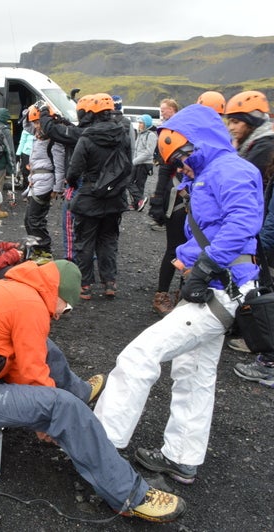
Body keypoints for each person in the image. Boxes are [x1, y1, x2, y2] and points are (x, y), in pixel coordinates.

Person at [0, 259, 186, 523]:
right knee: (64, 408)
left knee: (47, 348)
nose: (61, 315)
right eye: (68, 307)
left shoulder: (16, 289)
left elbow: (24, 358)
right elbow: (32, 372)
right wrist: (46, 417)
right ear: (59, 294)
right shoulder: (30, 306)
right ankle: (130, 496)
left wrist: (41, 408)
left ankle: (81, 392)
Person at [95, 104, 263, 485]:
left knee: (138, 356)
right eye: (175, 164)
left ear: (197, 144)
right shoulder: (212, 173)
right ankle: (182, 458)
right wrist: (195, 263)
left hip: (220, 288)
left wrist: (204, 266)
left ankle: (101, 447)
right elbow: (223, 227)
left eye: (182, 159)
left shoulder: (230, 171)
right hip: (218, 288)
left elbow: (241, 224)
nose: (180, 168)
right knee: (195, 372)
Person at [223, 90, 274, 362]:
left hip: (263, 225)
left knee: (263, 281)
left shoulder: (263, 147)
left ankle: (263, 341)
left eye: (237, 121)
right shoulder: (253, 144)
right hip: (260, 223)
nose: (232, 127)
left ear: (251, 121)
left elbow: (239, 181)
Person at [66, 93, 132, 299]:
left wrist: (75, 183)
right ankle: (109, 283)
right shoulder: (123, 135)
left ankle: (85, 286)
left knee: (84, 241)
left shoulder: (87, 137)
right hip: (115, 198)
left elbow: (74, 169)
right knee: (108, 240)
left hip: (90, 196)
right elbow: (128, 165)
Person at [39, 95, 91, 261]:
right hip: (100, 186)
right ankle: (92, 260)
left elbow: (53, 131)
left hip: (80, 182)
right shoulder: (110, 130)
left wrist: (44, 112)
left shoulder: (83, 133)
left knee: (69, 220)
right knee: (93, 225)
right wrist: (62, 121)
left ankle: (71, 258)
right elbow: (71, 131)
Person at [148, 98, 185, 315]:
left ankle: (183, 292)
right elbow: (164, 169)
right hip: (178, 197)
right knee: (175, 248)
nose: (162, 113)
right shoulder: (176, 135)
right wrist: (158, 201)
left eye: (165, 110)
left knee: (188, 248)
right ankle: (162, 294)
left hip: (186, 198)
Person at [25, 104, 66, 262]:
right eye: (34, 122)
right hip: (36, 182)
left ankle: (44, 250)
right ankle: (35, 248)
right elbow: (25, 123)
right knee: (29, 219)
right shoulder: (39, 136)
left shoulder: (54, 141)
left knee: (35, 219)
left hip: (46, 183)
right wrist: (31, 108)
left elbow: (60, 165)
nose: (36, 125)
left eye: (38, 121)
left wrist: (57, 188)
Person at [126, 114, 156, 211]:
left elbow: (149, 152)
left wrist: (134, 161)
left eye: (141, 123)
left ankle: (139, 202)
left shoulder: (151, 135)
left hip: (144, 163)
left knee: (139, 184)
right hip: (137, 162)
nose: (139, 125)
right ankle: (137, 202)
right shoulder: (140, 133)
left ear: (146, 124)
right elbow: (136, 149)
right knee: (129, 181)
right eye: (139, 123)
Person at [16, 108, 34, 189]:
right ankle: (26, 189)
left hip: (31, 153)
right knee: (25, 172)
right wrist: (18, 154)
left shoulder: (38, 128)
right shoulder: (25, 130)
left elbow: (22, 143)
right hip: (26, 154)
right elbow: (22, 142)